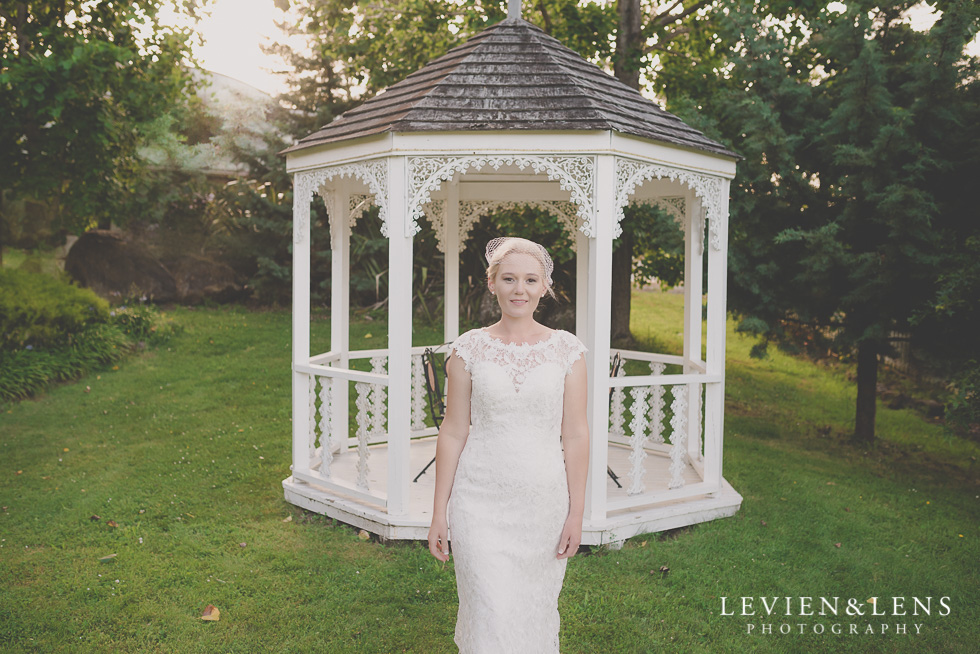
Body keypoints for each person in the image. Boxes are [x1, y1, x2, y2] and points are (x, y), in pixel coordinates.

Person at [427, 236, 590, 653]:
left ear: (544, 287)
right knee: (489, 616)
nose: (520, 289)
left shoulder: (567, 351)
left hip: (542, 505)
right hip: (479, 503)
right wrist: (438, 513)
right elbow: (452, 431)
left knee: (532, 617)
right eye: (510, 279)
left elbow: (574, 434)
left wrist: (576, 513)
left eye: (531, 280)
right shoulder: (468, 349)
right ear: (492, 283)